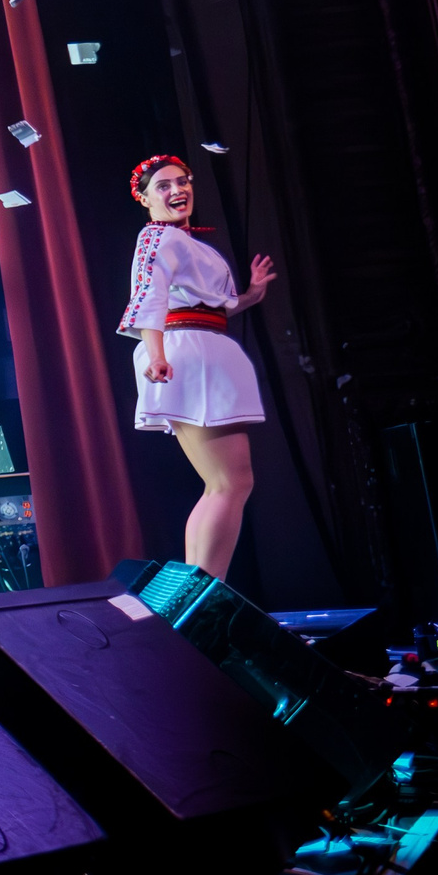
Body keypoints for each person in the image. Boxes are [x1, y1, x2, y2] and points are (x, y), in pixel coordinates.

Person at [118, 155, 275, 576]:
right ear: (144, 198)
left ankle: (200, 589)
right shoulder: (156, 238)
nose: (177, 191)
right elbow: (148, 296)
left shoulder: (185, 242)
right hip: (186, 353)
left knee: (224, 484)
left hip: (203, 348)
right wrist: (156, 355)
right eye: (164, 186)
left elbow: (213, 305)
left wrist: (252, 294)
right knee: (230, 482)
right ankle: (205, 593)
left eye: (182, 182)